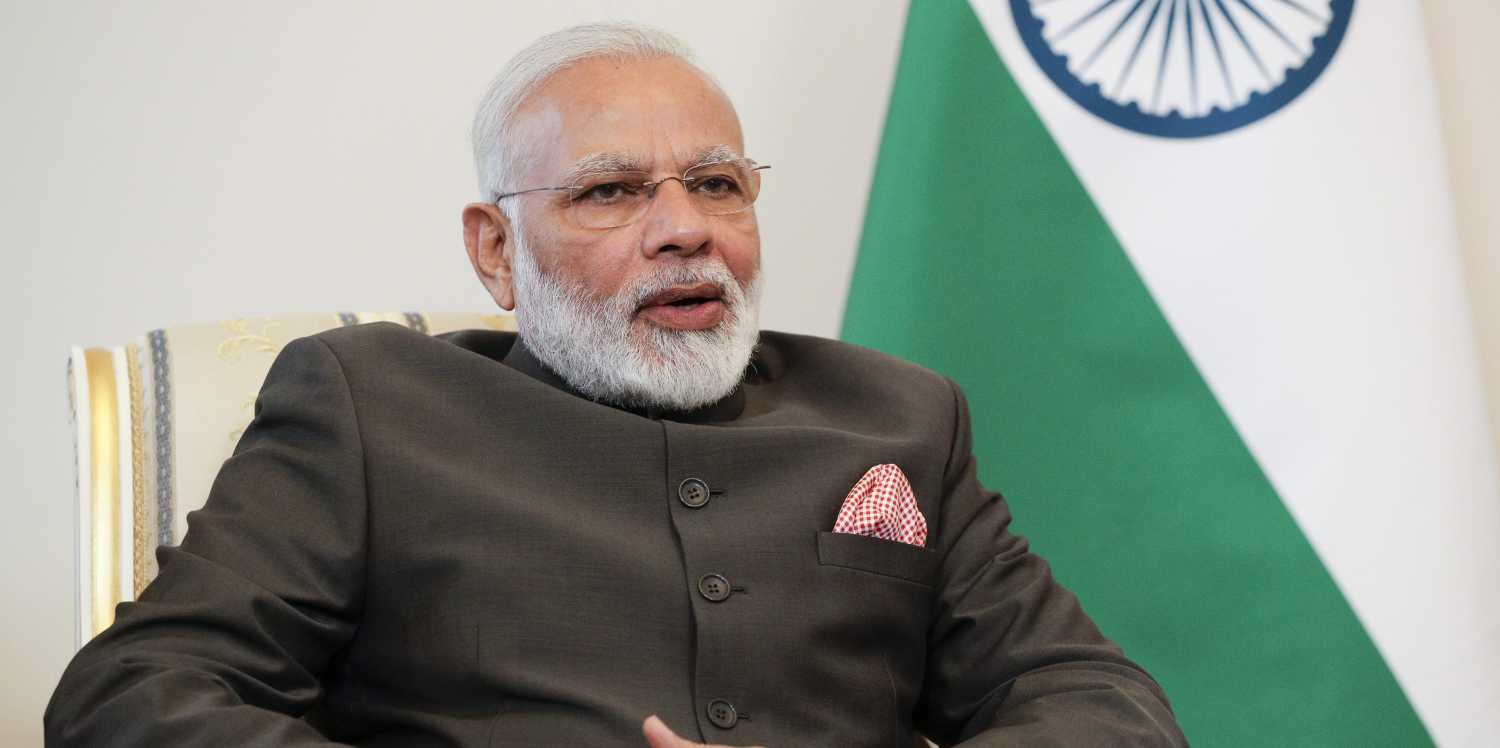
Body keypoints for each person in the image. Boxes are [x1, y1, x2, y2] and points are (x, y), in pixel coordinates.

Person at [45, 23, 1187, 747]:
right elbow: (134, 693)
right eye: (610, 192)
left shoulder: (897, 418)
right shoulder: (371, 408)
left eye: (717, 182)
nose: (684, 229)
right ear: (495, 250)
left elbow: (1103, 705)